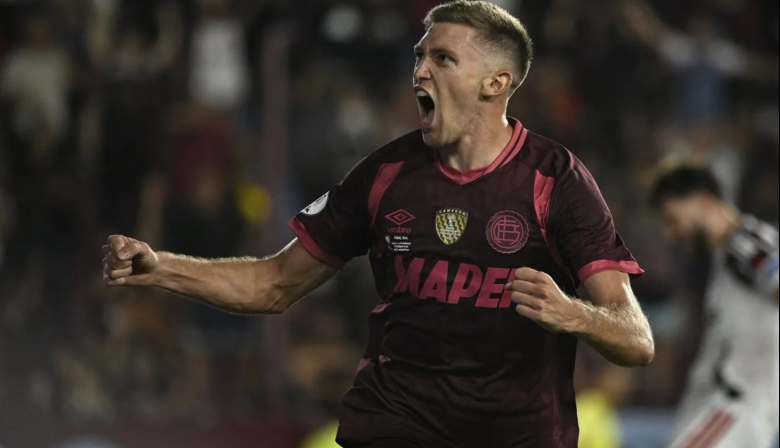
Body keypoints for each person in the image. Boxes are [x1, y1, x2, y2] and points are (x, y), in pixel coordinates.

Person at [102, 2, 654, 446]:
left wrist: (572, 314)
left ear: (495, 82)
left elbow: (637, 339)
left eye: (443, 59)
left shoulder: (556, 180)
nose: (420, 71)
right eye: (419, 57)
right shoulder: (385, 174)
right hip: (396, 426)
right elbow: (271, 285)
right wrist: (160, 268)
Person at [649, 164, 779, 448]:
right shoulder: (728, 256)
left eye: (672, 219)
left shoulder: (742, 244)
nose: (671, 233)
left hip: (733, 408)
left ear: (704, 200)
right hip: (728, 414)